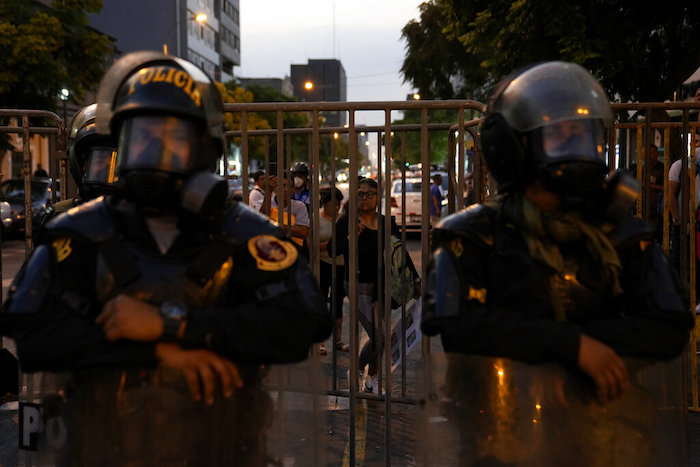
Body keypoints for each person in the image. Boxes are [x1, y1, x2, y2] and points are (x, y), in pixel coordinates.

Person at [0, 51, 331, 464]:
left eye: (172, 138)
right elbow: (34, 336)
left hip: (223, 448)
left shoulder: (245, 233)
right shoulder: (79, 232)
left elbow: (301, 323)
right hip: (101, 450)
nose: (155, 150)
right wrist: (162, 353)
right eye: (142, 137)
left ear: (204, 148)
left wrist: (169, 322)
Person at [422, 62, 691, 461]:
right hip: (498, 439)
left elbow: (669, 324)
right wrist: (569, 346)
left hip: (609, 437)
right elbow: (457, 326)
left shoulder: (621, 235)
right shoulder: (472, 237)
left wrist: (577, 362)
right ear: (512, 146)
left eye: (581, 134)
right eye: (557, 135)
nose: (575, 146)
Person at [334, 178, 400, 394]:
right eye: (360, 194)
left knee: (380, 338)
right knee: (380, 336)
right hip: (358, 283)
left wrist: (416, 279)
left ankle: (373, 376)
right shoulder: (347, 220)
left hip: (381, 285)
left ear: (377, 197)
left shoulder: (385, 221)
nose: (364, 198)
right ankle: (358, 368)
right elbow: (334, 250)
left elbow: (399, 252)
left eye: (368, 194)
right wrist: (351, 237)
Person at [53, 103, 118, 215]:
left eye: (116, 160)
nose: (108, 169)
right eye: (100, 159)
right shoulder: (63, 216)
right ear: (80, 164)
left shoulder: (144, 219)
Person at [319, 186, 349, 355]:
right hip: (323, 264)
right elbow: (311, 245)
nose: (336, 208)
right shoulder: (317, 219)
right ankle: (321, 343)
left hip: (340, 265)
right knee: (322, 301)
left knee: (338, 304)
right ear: (325, 204)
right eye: (332, 204)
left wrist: (337, 245)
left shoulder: (343, 220)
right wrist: (332, 245)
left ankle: (338, 340)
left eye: (338, 204)